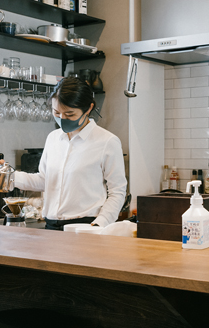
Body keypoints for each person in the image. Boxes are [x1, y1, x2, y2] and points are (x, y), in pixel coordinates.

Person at [13, 77, 127, 230]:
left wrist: (100, 223)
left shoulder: (107, 141)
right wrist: (9, 177)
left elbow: (117, 192)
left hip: (85, 227)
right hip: (51, 227)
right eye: (57, 113)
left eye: (70, 114)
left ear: (88, 108)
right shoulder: (53, 138)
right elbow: (45, 180)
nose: (62, 119)